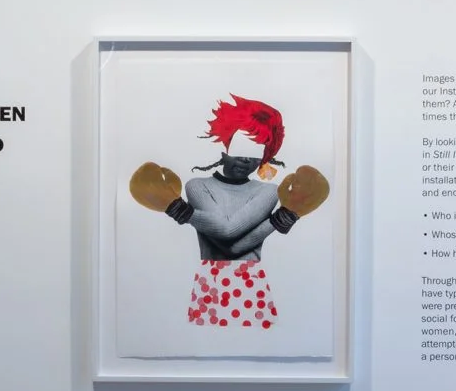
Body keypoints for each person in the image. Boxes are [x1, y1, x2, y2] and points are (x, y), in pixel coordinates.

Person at [129, 95, 330, 329]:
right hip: (209, 284)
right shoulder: (197, 185)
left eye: (256, 149)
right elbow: (227, 236)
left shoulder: (269, 191)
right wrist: (282, 218)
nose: (245, 157)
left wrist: (179, 210)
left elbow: (230, 240)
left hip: (251, 285)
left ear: (264, 156)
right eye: (240, 145)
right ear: (225, 144)